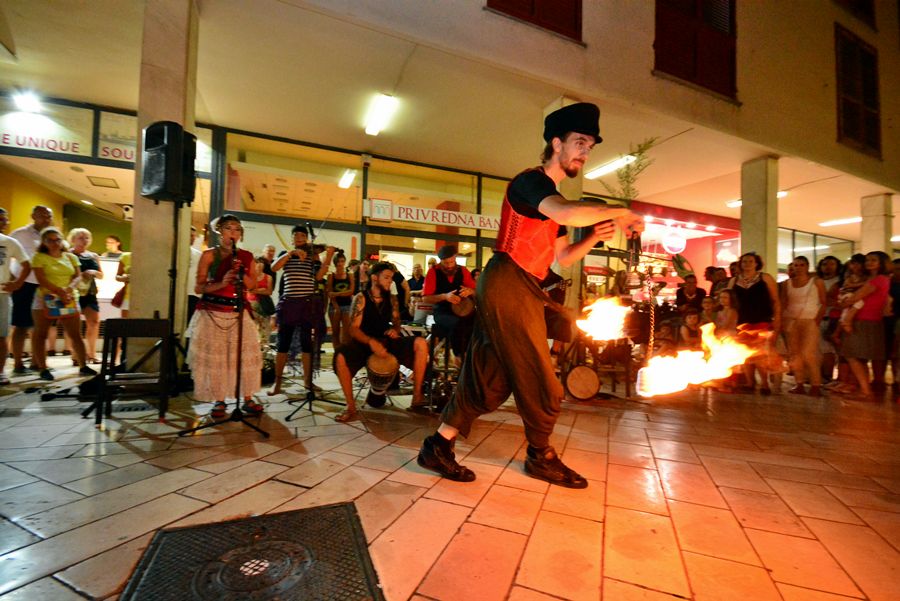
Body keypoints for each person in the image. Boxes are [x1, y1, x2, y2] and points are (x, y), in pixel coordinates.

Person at [416, 102, 643, 488]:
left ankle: (437, 446)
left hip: (521, 285)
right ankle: (541, 455)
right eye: (580, 142)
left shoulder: (550, 196)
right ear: (556, 143)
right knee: (542, 376)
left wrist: (593, 237)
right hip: (508, 281)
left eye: (590, 146)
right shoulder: (530, 183)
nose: (585, 152)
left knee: (488, 377)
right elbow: (568, 213)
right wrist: (620, 212)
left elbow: (562, 257)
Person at [332, 261, 429, 422]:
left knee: (420, 343)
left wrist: (395, 330)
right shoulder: (361, 298)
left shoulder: (392, 299)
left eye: (391, 278)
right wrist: (370, 342)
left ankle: (417, 397)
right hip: (364, 343)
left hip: (386, 340)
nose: (390, 281)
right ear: (375, 278)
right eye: (387, 277)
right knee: (341, 356)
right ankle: (350, 406)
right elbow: (353, 329)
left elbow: (396, 321)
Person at [189, 215, 262, 418]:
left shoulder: (246, 256)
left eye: (238, 229)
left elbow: (253, 286)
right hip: (213, 312)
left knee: (244, 356)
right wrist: (222, 282)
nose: (233, 233)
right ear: (220, 231)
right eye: (229, 228)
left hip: (238, 311)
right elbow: (199, 287)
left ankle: (247, 399)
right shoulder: (209, 255)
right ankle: (219, 400)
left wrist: (241, 274)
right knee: (218, 360)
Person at [268, 225, 334, 398]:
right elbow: (274, 268)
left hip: (307, 305)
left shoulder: (312, 256)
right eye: (295, 235)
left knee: (307, 345)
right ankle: (278, 382)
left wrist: (329, 258)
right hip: (289, 304)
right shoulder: (285, 255)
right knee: (283, 345)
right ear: (291, 239)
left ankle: (307, 382)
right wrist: (290, 254)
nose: (299, 237)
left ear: (306, 239)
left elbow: (319, 277)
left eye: (302, 235)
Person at [30, 227, 96, 381]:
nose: (54, 243)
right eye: (50, 240)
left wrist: (68, 289)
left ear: (62, 241)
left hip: (69, 298)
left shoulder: (70, 257)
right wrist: (58, 291)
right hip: (45, 298)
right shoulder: (39, 257)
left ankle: (83, 365)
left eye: (57, 240)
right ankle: (42, 367)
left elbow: (77, 276)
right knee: (41, 333)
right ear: (44, 242)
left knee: (75, 334)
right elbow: (41, 279)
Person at [837, 251, 890, 399]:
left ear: (882, 263)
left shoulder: (879, 279)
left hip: (866, 320)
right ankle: (864, 389)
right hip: (863, 319)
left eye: (874, 260)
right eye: (867, 260)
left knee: (852, 355)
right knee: (856, 356)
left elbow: (856, 297)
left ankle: (866, 391)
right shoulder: (872, 279)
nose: (869, 263)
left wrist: (845, 302)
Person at [728, 252, 780, 395]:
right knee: (745, 353)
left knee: (760, 354)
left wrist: (777, 320)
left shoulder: (766, 278)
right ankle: (750, 383)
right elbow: (731, 304)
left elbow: (776, 300)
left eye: (751, 261)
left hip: (762, 320)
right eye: (744, 261)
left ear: (756, 263)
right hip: (741, 322)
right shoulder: (733, 281)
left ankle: (765, 384)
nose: (747, 264)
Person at [9, 205, 52, 374]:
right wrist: (14, 279)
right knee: (21, 325)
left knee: (40, 327)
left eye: (48, 215)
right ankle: (18, 362)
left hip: (45, 286)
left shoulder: (52, 236)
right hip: (24, 284)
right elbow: (7, 255)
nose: (45, 218)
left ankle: (37, 362)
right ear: (33, 216)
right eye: (42, 215)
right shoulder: (19, 234)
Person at [420, 245, 477, 365]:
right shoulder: (433, 272)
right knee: (457, 323)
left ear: (455, 258)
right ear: (441, 261)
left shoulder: (463, 270)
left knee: (478, 322)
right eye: (446, 263)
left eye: (452, 261)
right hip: (442, 311)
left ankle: (472, 355)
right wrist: (444, 297)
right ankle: (458, 355)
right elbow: (425, 299)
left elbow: (475, 290)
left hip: (463, 310)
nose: (450, 265)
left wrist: (470, 291)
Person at [781, 256, 826, 396]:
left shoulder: (816, 282)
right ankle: (799, 383)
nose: (798, 267)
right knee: (795, 354)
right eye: (795, 265)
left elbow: (824, 302)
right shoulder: (787, 283)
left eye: (801, 265)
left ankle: (816, 385)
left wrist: (816, 321)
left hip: (809, 320)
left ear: (807, 266)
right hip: (791, 320)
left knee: (809, 353)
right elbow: (784, 303)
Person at [0, 208, 29, 384]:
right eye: (1, 219)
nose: (4, 222)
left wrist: (17, 283)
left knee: (1, 335)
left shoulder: (9, 242)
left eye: (5, 220)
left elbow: (27, 264)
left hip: (1, 294)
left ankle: (1, 372)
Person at [67, 228, 103, 364]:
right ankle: (75, 354)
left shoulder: (93, 256)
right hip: (73, 292)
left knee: (94, 322)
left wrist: (93, 272)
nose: (84, 241)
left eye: (87, 238)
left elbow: (101, 274)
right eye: (81, 238)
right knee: (73, 325)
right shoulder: (67, 254)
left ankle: (92, 354)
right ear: (73, 239)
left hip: (89, 292)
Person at [326, 252, 354, 349]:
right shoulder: (331, 276)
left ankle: (345, 353)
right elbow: (330, 293)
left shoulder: (349, 275)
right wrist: (336, 306)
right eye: (338, 261)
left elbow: (351, 291)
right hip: (334, 306)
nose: (340, 263)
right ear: (335, 263)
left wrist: (337, 294)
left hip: (347, 305)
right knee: (335, 332)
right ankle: (337, 354)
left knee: (346, 332)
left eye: (342, 261)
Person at [246, 256, 274, 352]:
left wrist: (255, 290)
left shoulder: (268, 277)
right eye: (257, 263)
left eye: (262, 263)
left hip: (263, 306)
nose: (259, 265)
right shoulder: (249, 276)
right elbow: (248, 289)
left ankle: (263, 350)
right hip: (250, 305)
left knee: (264, 329)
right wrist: (261, 290)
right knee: (251, 328)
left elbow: (269, 291)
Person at [186, 226, 202, 323]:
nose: (193, 238)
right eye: (191, 236)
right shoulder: (176, 252)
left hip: (193, 293)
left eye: (194, 236)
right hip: (181, 292)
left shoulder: (198, 254)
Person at [115, 251, 132, 317]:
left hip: (146, 295)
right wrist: (124, 278)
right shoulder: (125, 256)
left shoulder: (149, 257)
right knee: (126, 323)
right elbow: (117, 276)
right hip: (128, 295)